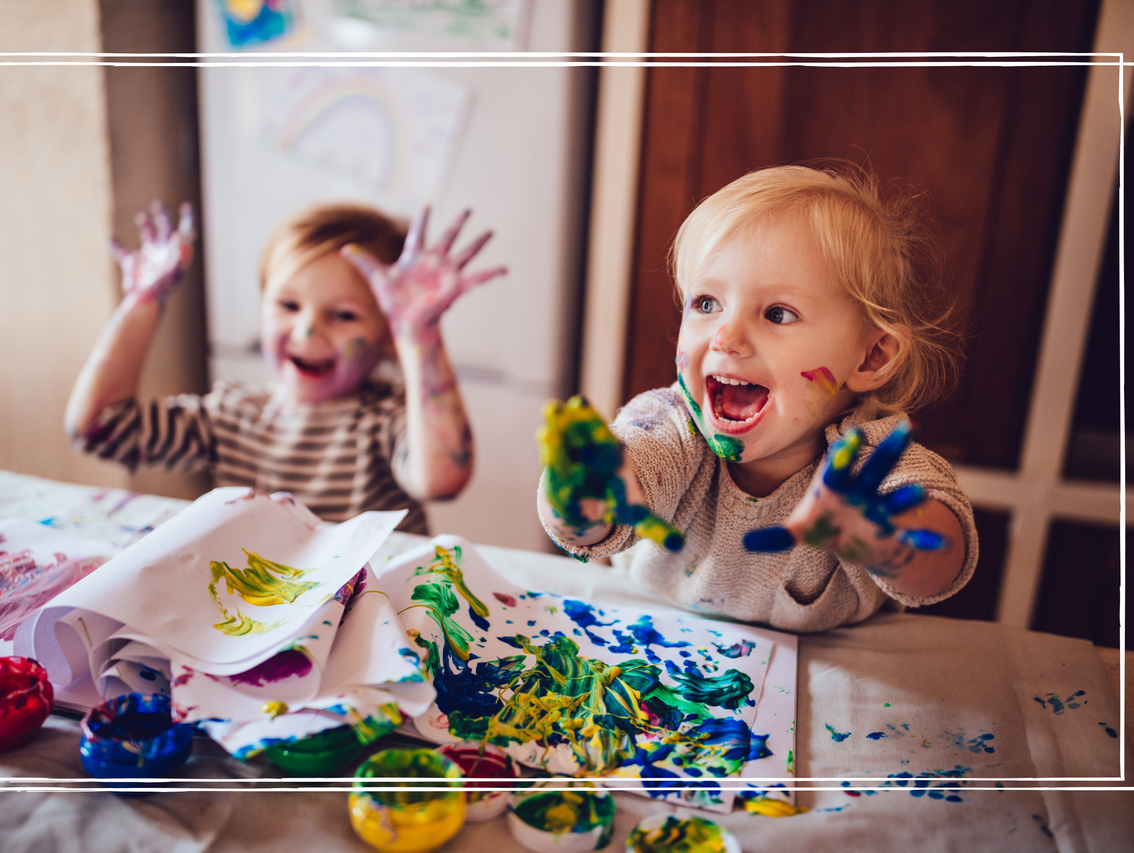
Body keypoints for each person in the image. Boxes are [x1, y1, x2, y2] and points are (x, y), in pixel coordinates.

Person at [537, 164, 978, 632]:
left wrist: (885, 539)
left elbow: (941, 568)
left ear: (870, 357)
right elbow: (592, 520)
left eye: (777, 313)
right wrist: (577, 498)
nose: (727, 337)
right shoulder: (672, 424)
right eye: (707, 303)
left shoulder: (867, 465)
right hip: (647, 641)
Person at [65, 201, 505, 534]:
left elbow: (443, 479)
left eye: (345, 315)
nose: (308, 329)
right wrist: (143, 303)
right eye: (288, 305)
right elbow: (98, 428)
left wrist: (419, 333)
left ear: (388, 335)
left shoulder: (385, 422)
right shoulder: (232, 415)